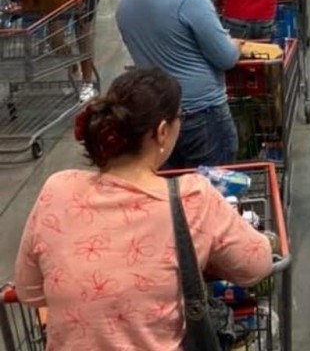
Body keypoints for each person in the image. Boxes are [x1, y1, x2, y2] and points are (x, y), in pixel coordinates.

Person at [14, 67, 273, 349]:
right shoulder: (191, 198)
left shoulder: (58, 189)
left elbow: (28, 292)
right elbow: (255, 266)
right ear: (162, 132)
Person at [116, 0, 242, 168]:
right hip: (203, 113)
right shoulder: (190, 0)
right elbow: (225, 57)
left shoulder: (125, 3)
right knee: (211, 191)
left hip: (158, 117)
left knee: (170, 192)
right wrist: (234, 45)